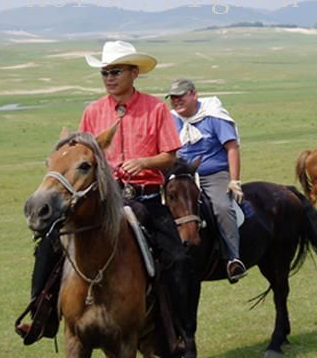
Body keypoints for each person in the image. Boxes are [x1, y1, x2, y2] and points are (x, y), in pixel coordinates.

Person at [17, 41, 195, 353]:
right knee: (48, 244)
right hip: (100, 200)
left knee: (178, 259)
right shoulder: (92, 111)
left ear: (133, 72)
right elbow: (79, 155)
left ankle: (180, 332)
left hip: (145, 198)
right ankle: (41, 316)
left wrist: (143, 162)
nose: (109, 77)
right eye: (105, 72)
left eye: (116, 71)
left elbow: (170, 155)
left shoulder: (155, 108)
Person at [167, 78, 247, 283]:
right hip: (181, 176)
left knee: (221, 206)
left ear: (194, 94)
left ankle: (233, 258)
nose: (176, 101)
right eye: (173, 98)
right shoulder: (171, 120)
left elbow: (232, 148)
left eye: (181, 96)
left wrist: (234, 181)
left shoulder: (213, 116)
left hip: (213, 174)